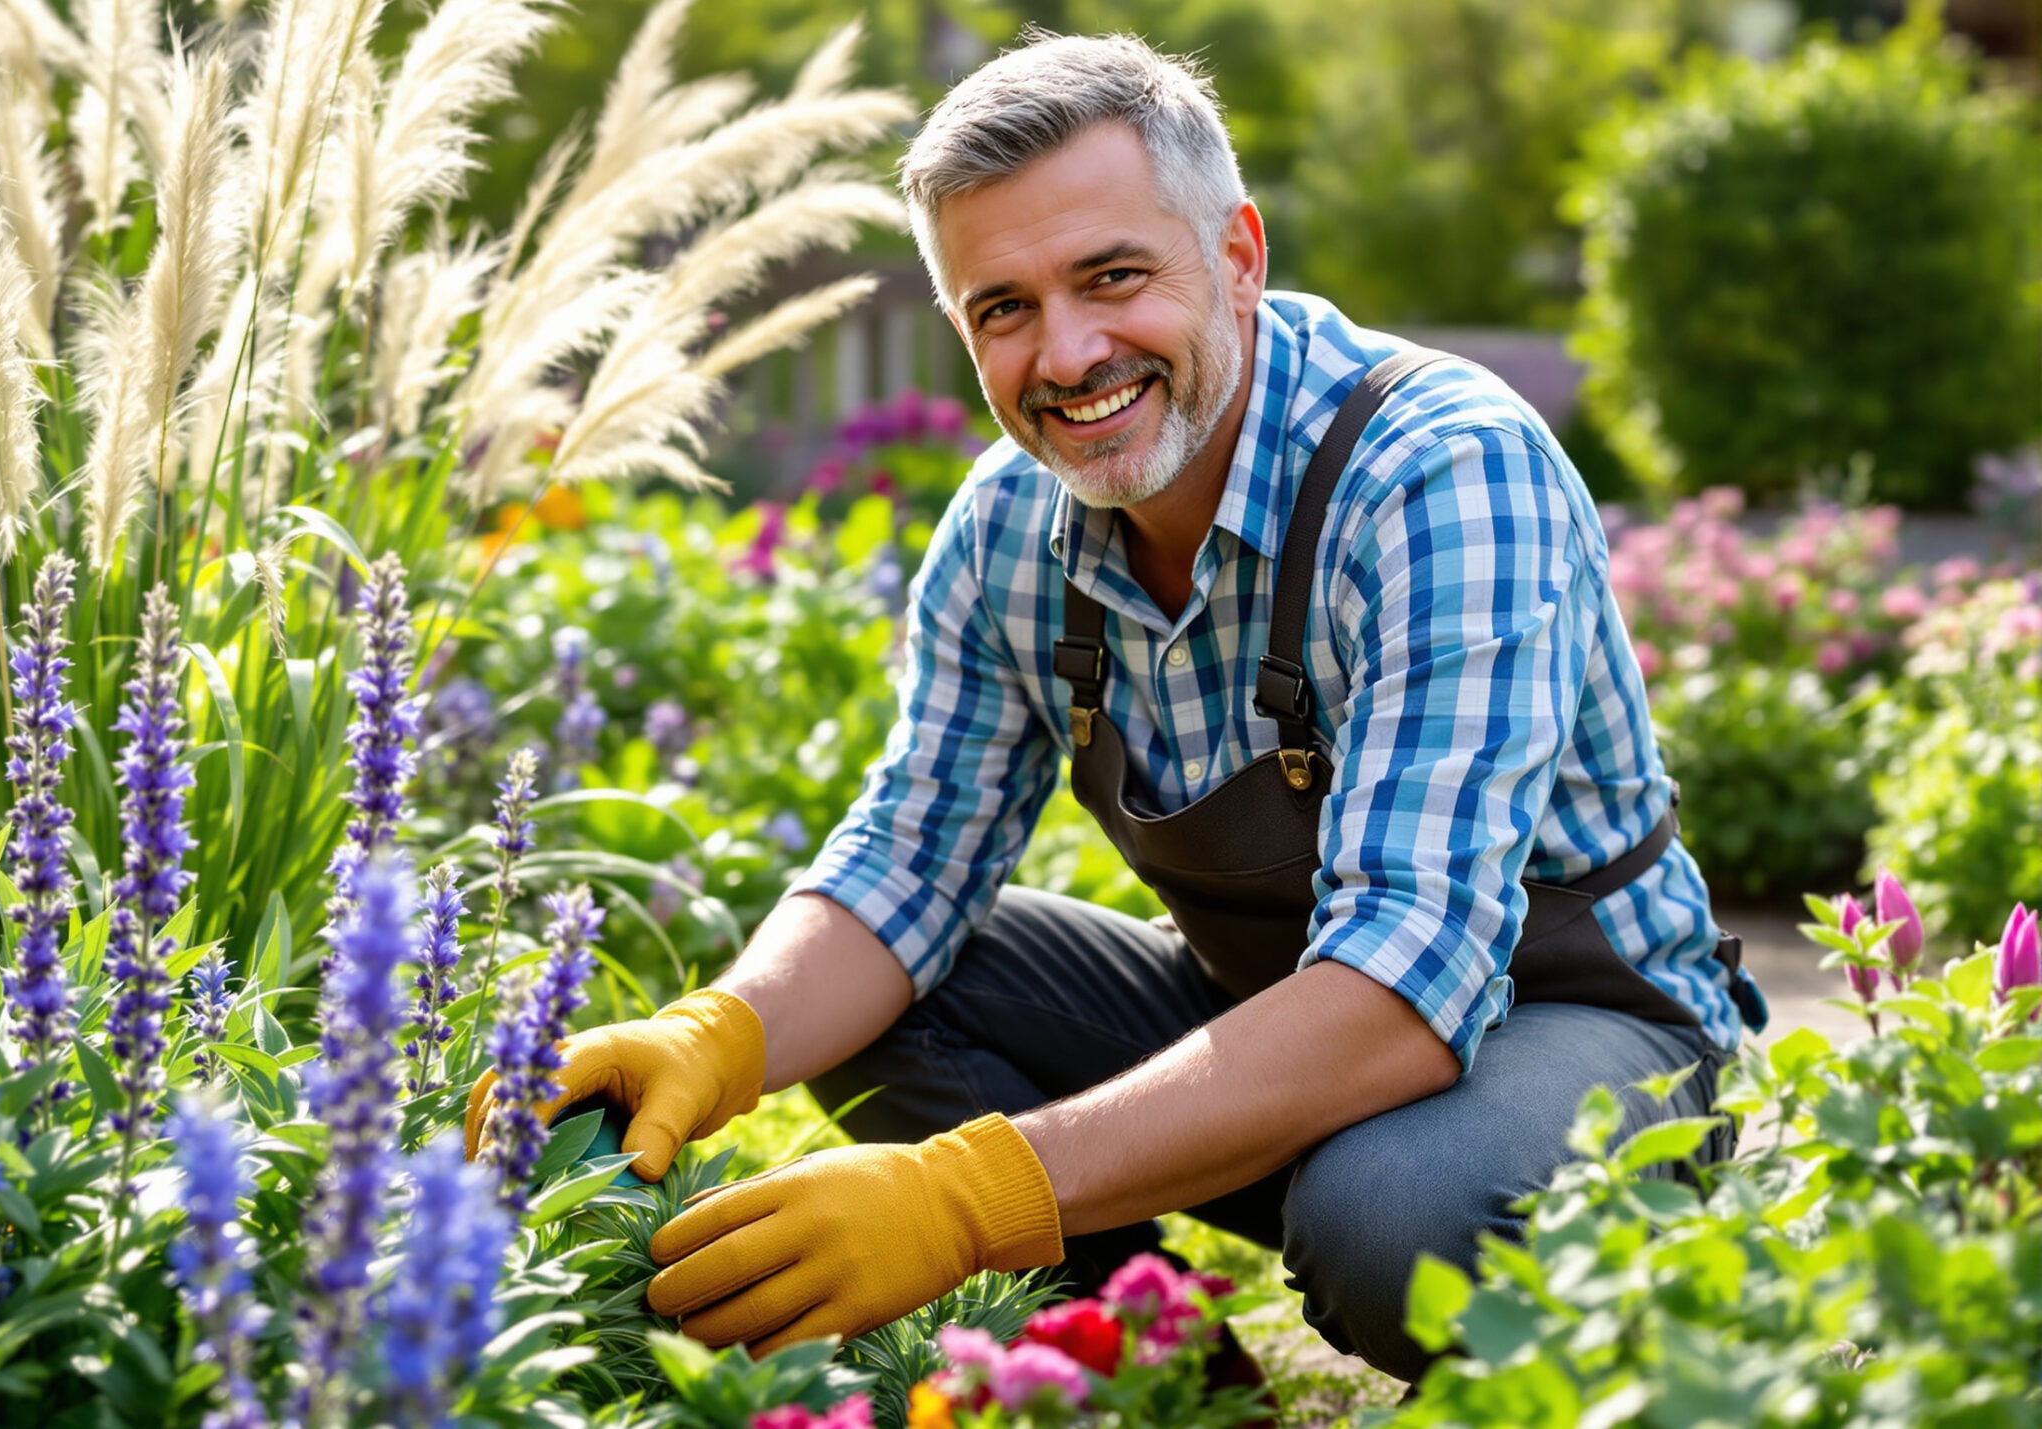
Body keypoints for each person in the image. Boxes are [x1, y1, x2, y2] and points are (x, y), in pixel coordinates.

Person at [466, 28, 1768, 1385]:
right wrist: (711, 1035)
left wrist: (966, 1196)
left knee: (1394, 1216)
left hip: (1573, 1029)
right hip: (1278, 1026)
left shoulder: (1442, 473)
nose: (1069, 352)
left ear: (1240, 256)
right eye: (1004, 308)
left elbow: (1404, 985)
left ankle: (1623, 1323)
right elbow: (908, 859)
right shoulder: (1008, 533)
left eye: (1114, 277)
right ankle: (1171, 1388)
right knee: (900, 986)